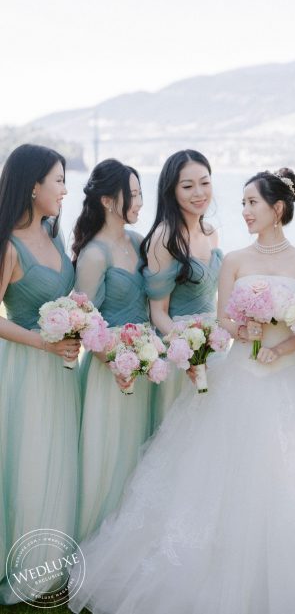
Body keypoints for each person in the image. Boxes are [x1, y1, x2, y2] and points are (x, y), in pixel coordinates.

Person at [68, 168, 295, 614]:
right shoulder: (234, 259)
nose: (244, 211)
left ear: (277, 209)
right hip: (237, 374)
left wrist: (281, 347)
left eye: (252, 203)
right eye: (242, 203)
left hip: (288, 379)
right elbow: (223, 318)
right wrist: (244, 329)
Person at [0, 144, 81, 604]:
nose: (65, 190)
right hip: (26, 367)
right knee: (29, 459)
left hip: (61, 369)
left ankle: (52, 554)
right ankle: (22, 559)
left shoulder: (53, 233)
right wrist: (43, 343)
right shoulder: (9, 244)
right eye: (59, 180)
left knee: (57, 457)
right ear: (34, 186)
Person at [72, 159, 152, 541]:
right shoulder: (95, 254)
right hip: (110, 371)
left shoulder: (138, 242)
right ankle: (97, 542)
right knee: (109, 459)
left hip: (144, 363)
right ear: (107, 200)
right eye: (131, 195)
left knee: (140, 457)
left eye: (139, 193)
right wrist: (116, 363)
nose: (139, 202)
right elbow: (84, 322)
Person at [140, 150, 222, 430]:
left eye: (205, 182)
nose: (199, 193)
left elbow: (213, 297)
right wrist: (187, 351)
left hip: (215, 347)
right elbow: (158, 312)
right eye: (187, 186)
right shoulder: (164, 238)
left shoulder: (211, 233)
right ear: (172, 191)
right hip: (180, 352)